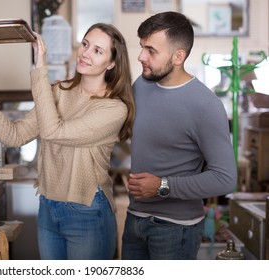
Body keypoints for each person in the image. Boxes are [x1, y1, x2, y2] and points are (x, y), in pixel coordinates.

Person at [0, 23, 135, 260]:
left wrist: (40, 68)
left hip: (87, 211)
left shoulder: (113, 109)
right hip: (48, 206)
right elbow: (15, 136)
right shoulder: (58, 92)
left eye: (98, 50)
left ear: (112, 63)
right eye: (85, 44)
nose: (85, 53)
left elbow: (53, 131)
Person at [121, 11, 237, 260]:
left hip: (176, 230)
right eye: (142, 47)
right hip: (134, 220)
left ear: (178, 56)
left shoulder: (205, 105)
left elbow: (225, 179)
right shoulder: (142, 85)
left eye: (151, 50)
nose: (141, 56)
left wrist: (162, 186)